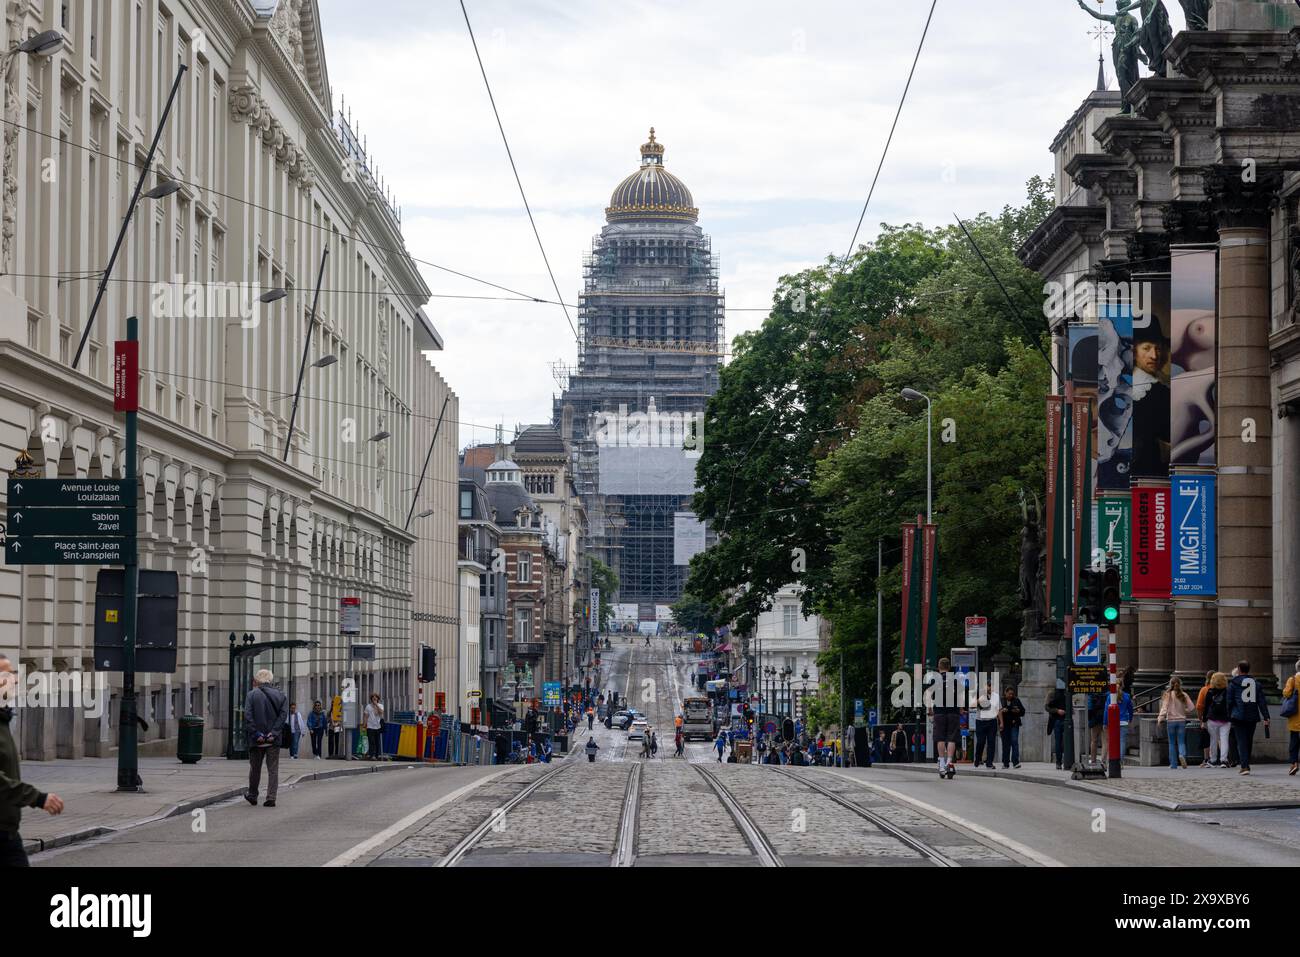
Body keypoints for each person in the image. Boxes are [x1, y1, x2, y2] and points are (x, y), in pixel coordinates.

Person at [0, 654, 64, 866]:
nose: (15, 680)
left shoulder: (3, 718)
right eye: (7, 674)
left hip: (7, 833)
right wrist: (37, 798)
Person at [243, 668, 288, 807]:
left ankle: (253, 795)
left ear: (257, 680)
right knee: (273, 769)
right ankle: (271, 797)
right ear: (271, 680)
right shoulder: (281, 695)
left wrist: (257, 734)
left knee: (255, 768)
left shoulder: (252, 695)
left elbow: (248, 716)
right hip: (273, 740)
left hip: (256, 739)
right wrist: (273, 733)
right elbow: (283, 716)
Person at [1227, 660, 1270, 775]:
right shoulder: (1256, 683)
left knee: (1241, 741)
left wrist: (1229, 715)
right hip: (1252, 715)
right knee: (1248, 740)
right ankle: (1246, 763)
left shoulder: (1233, 683)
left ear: (1239, 669)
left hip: (1238, 716)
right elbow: (1262, 702)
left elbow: (1229, 701)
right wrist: (1266, 716)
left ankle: (1244, 766)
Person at [1157, 675, 1194, 769]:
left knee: (1172, 743)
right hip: (1181, 721)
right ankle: (1182, 755)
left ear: (1170, 684)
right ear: (1180, 684)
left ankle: (1173, 764)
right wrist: (1185, 710)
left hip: (1171, 721)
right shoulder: (1184, 695)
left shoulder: (1167, 695)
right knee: (1181, 741)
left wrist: (1160, 718)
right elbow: (1191, 707)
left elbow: (1164, 708)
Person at [1201, 672, 1231, 767]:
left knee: (1213, 740)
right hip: (1225, 719)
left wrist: (1204, 720)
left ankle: (1213, 760)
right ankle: (1223, 760)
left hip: (1212, 719)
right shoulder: (1228, 691)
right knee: (1224, 739)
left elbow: (1206, 707)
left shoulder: (1209, 692)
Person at [1102, 685, 1135, 761]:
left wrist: (1105, 723)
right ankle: (1120, 761)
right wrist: (1130, 719)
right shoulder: (1127, 696)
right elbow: (1130, 709)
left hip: (1113, 722)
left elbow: (1106, 711)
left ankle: (1113, 759)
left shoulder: (1110, 697)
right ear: (1122, 686)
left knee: (1112, 741)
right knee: (1122, 741)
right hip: (1124, 721)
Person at [998, 686, 1026, 768]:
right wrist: (1003, 711)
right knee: (1005, 744)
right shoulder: (1001, 700)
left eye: (1012, 694)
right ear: (1005, 693)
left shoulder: (1016, 700)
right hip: (1005, 725)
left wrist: (1018, 711)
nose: (1011, 695)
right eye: (1009, 694)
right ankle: (1005, 763)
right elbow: (997, 711)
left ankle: (1015, 762)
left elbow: (1023, 711)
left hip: (1014, 724)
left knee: (1014, 742)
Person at [1283, 659, 1300, 776]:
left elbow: (1287, 693)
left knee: (1294, 741)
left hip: (1296, 716)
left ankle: (1294, 763)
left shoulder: (1293, 679)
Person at [1194, 669, 1215, 767]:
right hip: (1221, 718)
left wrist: (1200, 718)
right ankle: (1224, 759)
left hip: (1207, 717)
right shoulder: (1222, 689)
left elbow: (1199, 706)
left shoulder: (1204, 689)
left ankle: (1207, 759)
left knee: (1206, 737)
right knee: (1220, 738)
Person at [1045, 685, 1069, 770]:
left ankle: (1065, 761)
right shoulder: (1052, 693)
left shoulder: (1066, 692)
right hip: (1056, 720)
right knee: (1058, 742)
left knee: (1065, 742)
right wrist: (1057, 711)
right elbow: (1047, 707)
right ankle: (1059, 762)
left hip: (1065, 719)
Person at [364, 693, 385, 761]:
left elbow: (381, 712)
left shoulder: (380, 705)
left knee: (377, 741)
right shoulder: (368, 706)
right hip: (370, 726)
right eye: (373, 698)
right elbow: (366, 716)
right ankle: (372, 755)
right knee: (371, 741)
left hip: (378, 726)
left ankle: (376, 755)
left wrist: (376, 705)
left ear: (378, 699)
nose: (374, 699)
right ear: (371, 699)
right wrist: (365, 724)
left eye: (376, 698)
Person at [1087, 692, 1105, 762]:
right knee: (1105, 741)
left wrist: (1090, 720)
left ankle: (1093, 759)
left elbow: (1089, 708)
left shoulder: (1091, 694)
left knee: (1094, 740)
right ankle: (1103, 760)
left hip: (1095, 719)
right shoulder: (1106, 693)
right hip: (1104, 719)